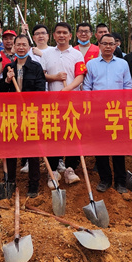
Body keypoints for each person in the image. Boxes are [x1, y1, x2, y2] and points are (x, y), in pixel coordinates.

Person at [83, 33, 132, 193]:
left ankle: (121, 181)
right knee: (100, 146)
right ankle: (105, 179)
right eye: (105, 44)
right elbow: (87, 87)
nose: (108, 47)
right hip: (98, 112)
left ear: (116, 45)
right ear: (99, 44)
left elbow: (127, 86)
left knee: (119, 147)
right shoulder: (91, 64)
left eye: (112, 44)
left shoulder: (123, 64)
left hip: (117, 111)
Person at [0, 34, 46, 198]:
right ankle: (10, 181)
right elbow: (2, 93)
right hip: (12, 114)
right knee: (11, 149)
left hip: (30, 113)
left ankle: (33, 185)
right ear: (13, 47)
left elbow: (41, 90)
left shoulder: (36, 67)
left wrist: (30, 104)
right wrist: (6, 81)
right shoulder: (9, 68)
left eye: (24, 44)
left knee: (33, 150)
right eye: (18, 44)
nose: (20, 47)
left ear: (28, 47)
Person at [41, 22, 84, 185]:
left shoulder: (76, 54)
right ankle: (52, 170)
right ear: (53, 36)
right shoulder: (47, 54)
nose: (61, 35)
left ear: (70, 36)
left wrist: (68, 90)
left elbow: (80, 76)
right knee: (53, 134)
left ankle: (70, 168)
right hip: (52, 102)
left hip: (72, 101)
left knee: (72, 133)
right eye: (58, 32)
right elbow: (43, 75)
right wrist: (56, 78)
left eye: (65, 33)